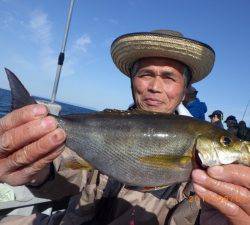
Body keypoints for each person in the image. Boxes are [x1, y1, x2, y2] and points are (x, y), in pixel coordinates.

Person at [0, 30, 250, 225]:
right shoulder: (104, 126)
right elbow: (69, 169)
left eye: (168, 77)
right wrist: (38, 169)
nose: (154, 86)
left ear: (185, 89)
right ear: (133, 80)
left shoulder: (223, 170)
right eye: (145, 74)